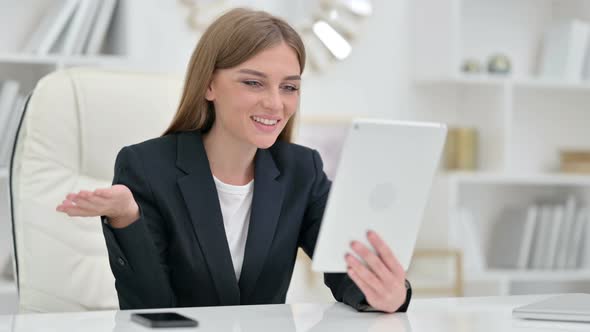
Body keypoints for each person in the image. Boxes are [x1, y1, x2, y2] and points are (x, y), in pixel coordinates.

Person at [56, 8, 411, 313]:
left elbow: (344, 269)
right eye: (254, 83)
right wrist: (126, 219)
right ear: (209, 85)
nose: (275, 103)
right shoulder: (147, 166)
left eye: (289, 87)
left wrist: (389, 294)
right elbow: (150, 309)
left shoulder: (302, 170)